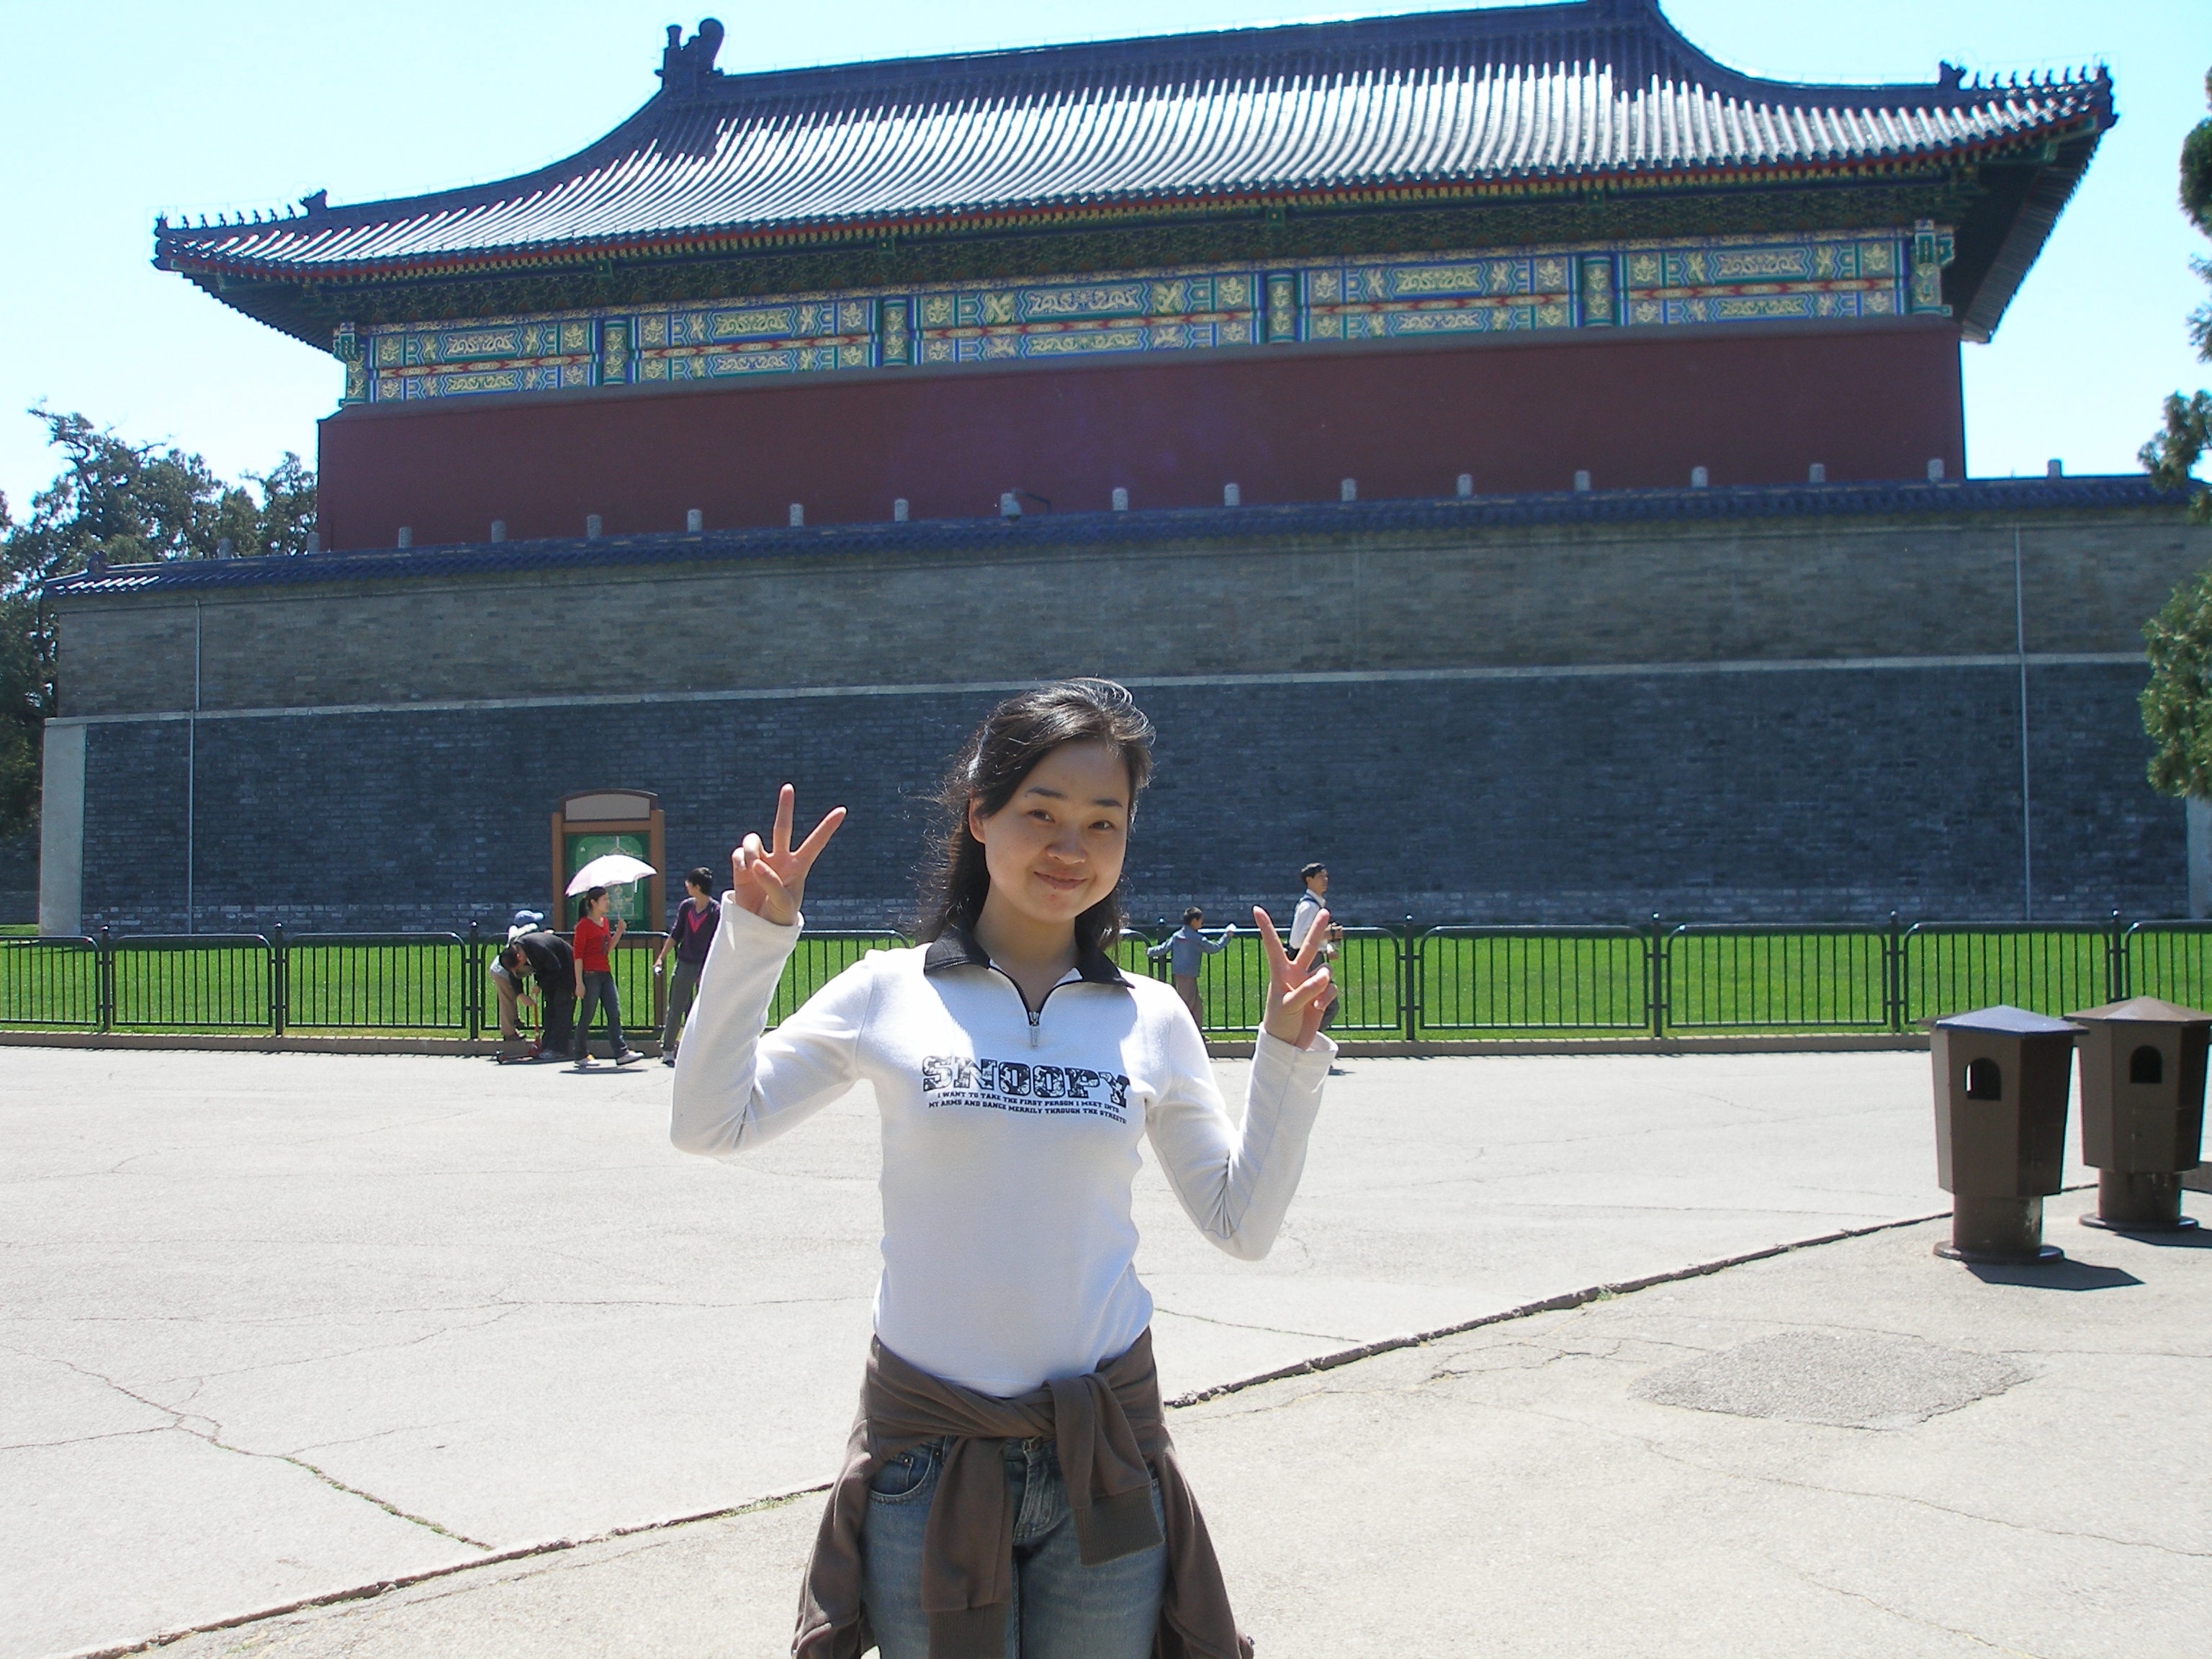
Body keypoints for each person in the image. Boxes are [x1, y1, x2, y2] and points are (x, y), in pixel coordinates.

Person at [671, 679, 1335, 1659]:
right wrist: (755, 937)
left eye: (1103, 821)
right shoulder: (888, 993)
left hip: (1102, 1455)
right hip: (929, 1457)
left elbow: (1243, 1224)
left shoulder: (1151, 1016)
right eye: (1042, 813)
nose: (1072, 846)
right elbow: (709, 1122)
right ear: (980, 816)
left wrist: (1285, 1057)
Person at [653, 867, 720, 1066]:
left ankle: (699, 1050)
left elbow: (717, 941)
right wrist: (661, 958)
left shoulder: (715, 911)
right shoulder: (686, 907)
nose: (686, 886)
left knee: (703, 1009)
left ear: (697, 886)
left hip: (705, 964)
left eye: (689, 883)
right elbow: (676, 933)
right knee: (676, 1006)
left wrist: (708, 968)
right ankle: (668, 1049)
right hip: (685, 962)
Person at [571, 887, 644, 1069]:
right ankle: (580, 1053)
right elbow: (578, 956)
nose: (608, 903)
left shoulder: (604, 922)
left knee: (614, 1011)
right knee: (587, 1014)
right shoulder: (583, 925)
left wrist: (618, 933)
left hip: (605, 972)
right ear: (593, 903)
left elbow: (606, 949)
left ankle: (621, 1052)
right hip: (590, 974)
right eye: (604, 899)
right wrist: (579, 983)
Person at [1146, 906, 1234, 1028]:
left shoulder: (1177, 936)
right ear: (1194, 921)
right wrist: (1227, 936)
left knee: (1196, 1005)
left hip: (1179, 973)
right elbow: (1214, 948)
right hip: (1189, 974)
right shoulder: (1197, 939)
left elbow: (1164, 948)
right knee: (1187, 1005)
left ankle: (1196, 1031)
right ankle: (1184, 1031)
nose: (1202, 923)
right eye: (1200, 921)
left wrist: (1150, 951)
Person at [503, 928, 575, 1060]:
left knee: (562, 1010)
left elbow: (555, 968)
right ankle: (546, 1045)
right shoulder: (514, 951)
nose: (519, 971)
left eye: (519, 968)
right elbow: (513, 975)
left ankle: (558, 1049)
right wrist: (520, 994)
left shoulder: (538, 947)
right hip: (549, 974)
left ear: (519, 957)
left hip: (566, 971)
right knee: (550, 1011)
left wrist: (540, 985)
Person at [1290, 862, 1343, 1028]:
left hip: (1314, 959)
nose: (1325, 880)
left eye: (1326, 876)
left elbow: (1312, 937)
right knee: (1328, 1006)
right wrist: (1329, 935)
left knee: (1320, 1005)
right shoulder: (1309, 907)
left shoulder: (1314, 904)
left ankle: (1307, 1036)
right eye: (1320, 877)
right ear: (1309, 880)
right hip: (1308, 962)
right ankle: (1308, 1036)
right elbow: (1298, 940)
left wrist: (1327, 947)